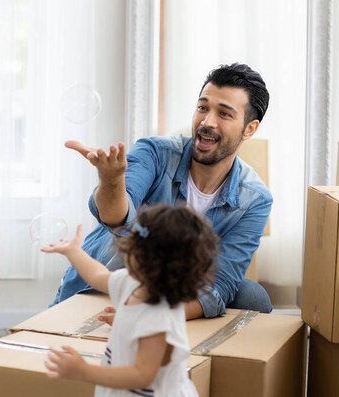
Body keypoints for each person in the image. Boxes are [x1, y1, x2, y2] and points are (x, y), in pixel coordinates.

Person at [54, 62, 272, 319]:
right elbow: (116, 221)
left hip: (172, 291)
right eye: (203, 107)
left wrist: (153, 317)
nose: (207, 122)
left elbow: (222, 281)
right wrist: (112, 180)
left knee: (251, 295)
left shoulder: (255, 199)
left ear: (249, 129)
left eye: (224, 114)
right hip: (117, 276)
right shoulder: (155, 152)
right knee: (134, 237)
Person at [43, 204, 218, 396]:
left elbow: (143, 375)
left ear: (149, 261)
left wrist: (84, 371)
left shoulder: (158, 316)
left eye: (132, 248)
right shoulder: (132, 283)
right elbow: (97, 275)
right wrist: (73, 252)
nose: (125, 251)